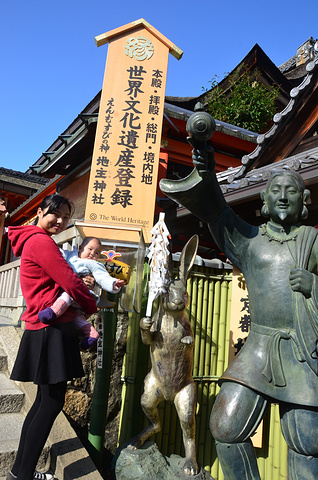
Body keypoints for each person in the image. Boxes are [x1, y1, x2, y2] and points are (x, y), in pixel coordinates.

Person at [160, 126, 318, 479]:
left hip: (302, 353)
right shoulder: (250, 240)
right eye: (275, 191)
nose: (282, 197)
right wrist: (206, 166)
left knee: (307, 441)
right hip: (258, 349)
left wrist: (314, 284)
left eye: (290, 191)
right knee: (226, 426)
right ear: (264, 200)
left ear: (303, 201)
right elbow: (218, 214)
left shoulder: (313, 242)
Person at [6, 194, 97, 480]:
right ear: (40, 212)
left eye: (66, 217)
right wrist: (92, 303)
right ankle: (22, 474)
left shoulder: (33, 240)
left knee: (45, 400)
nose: (60, 220)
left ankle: (19, 472)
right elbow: (69, 280)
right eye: (55, 214)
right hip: (52, 328)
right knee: (52, 401)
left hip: (44, 326)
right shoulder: (41, 241)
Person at [38, 237, 125, 349]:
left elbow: (103, 277)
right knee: (78, 318)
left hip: (82, 293)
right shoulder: (71, 256)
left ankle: (54, 311)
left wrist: (113, 283)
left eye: (97, 252)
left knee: (69, 293)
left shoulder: (94, 265)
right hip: (77, 301)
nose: (92, 254)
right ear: (80, 248)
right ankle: (92, 334)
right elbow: (56, 253)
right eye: (90, 249)